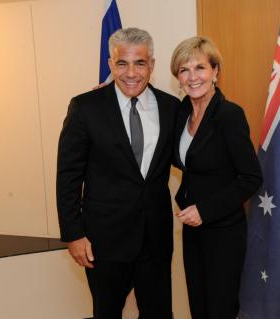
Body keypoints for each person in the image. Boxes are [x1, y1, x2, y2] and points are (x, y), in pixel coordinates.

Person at [56, 27, 179, 319]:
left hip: (156, 239)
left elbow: (192, 155)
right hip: (104, 241)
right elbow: (68, 177)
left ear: (152, 65)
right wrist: (74, 234)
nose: (131, 73)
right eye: (122, 63)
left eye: (140, 63)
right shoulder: (85, 107)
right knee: (107, 313)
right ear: (111, 65)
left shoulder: (171, 107)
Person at [170, 36, 263, 319]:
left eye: (200, 67)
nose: (192, 76)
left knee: (220, 310)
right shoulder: (181, 112)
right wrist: (111, 90)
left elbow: (250, 177)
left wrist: (205, 210)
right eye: (184, 70)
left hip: (224, 232)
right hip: (192, 231)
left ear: (215, 72)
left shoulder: (229, 115)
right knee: (199, 306)